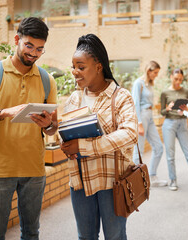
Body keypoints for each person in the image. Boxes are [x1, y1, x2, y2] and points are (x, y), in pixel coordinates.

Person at [0, 17, 57, 239]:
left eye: (39, 49)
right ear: (17, 39)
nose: (34, 53)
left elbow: (54, 128)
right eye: (29, 46)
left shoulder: (47, 80)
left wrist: (48, 126)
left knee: (31, 234)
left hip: (34, 170)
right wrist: (3, 113)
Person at [60, 34, 137, 240]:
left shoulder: (121, 96)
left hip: (112, 181)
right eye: (73, 66)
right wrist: (57, 134)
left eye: (81, 67)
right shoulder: (75, 98)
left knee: (115, 236)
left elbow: (130, 134)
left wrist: (83, 147)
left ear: (98, 66)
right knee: (85, 237)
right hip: (80, 181)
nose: (75, 72)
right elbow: (66, 134)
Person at [131, 61, 167, 187]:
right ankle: (136, 182)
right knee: (138, 151)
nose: (156, 75)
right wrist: (139, 123)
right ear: (149, 71)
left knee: (158, 147)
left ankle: (152, 176)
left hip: (150, 116)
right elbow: (134, 104)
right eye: (155, 72)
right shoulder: (138, 83)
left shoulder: (149, 84)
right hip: (142, 117)